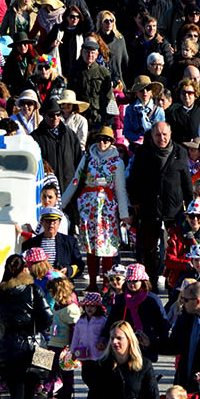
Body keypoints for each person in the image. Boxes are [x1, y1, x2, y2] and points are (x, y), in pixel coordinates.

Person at [0, 253, 53, 399]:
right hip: (33, 344)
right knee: (30, 394)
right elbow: (47, 318)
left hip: (9, 345)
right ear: (24, 269)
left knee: (15, 394)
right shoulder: (34, 290)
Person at [61, 124, 129, 289]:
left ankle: (106, 284)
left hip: (107, 209)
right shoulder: (87, 159)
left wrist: (124, 213)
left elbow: (120, 188)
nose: (102, 143)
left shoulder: (117, 162)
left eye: (106, 140)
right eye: (100, 139)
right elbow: (76, 181)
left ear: (111, 142)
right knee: (91, 247)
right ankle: (92, 283)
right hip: (89, 209)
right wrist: (61, 203)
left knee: (107, 247)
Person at [127, 121, 193, 287]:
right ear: (152, 135)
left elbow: (186, 181)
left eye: (164, 134)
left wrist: (190, 205)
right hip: (149, 208)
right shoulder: (143, 152)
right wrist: (134, 201)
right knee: (148, 250)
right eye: (158, 134)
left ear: (170, 134)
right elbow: (134, 179)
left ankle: (172, 284)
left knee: (174, 248)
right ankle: (150, 284)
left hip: (173, 208)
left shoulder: (181, 152)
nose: (161, 138)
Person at [78, 320, 163, 399]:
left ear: (129, 340)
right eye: (112, 338)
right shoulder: (102, 366)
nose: (114, 342)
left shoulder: (144, 366)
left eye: (119, 338)